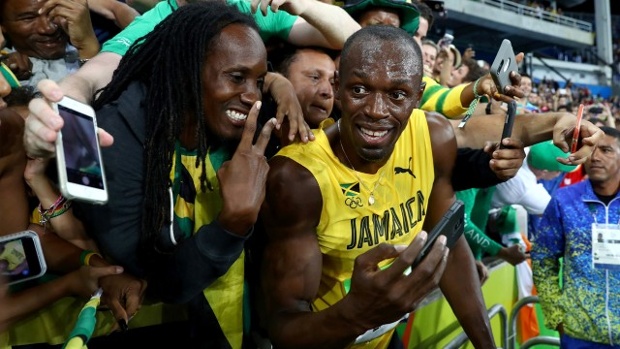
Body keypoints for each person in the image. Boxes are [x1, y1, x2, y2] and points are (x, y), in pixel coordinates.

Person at [65, 2, 287, 347]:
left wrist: (281, 84)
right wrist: (233, 224)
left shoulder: (252, 126)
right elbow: (151, 277)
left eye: (258, 81)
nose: (252, 97)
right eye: (237, 78)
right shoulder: (114, 132)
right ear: (185, 70)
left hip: (240, 325)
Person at [261, 26, 495, 349]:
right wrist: (357, 313)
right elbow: (284, 328)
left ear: (418, 96)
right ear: (338, 89)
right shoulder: (296, 178)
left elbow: (448, 244)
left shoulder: (433, 138)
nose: (376, 110)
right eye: (359, 90)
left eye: (397, 94)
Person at [23, 0, 362, 158]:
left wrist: (301, 5)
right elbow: (97, 72)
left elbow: (351, 38)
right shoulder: (156, 22)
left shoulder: (246, 6)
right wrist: (58, 104)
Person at [532, 126, 620, 348]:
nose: (595, 157)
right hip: (579, 334)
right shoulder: (564, 201)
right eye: (590, 149)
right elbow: (543, 259)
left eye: (606, 150)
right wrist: (557, 316)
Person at [0, 0, 100, 86]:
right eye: (29, 18)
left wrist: (87, 47)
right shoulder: (6, 75)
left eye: (53, 12)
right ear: (2, 25)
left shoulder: (103, 50)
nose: (48, 29)